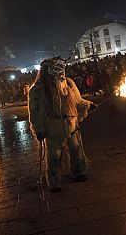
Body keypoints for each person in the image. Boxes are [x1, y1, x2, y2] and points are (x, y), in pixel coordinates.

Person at [28, 57, 94, 192]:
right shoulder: (39, 89)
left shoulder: (69, 83)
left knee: (76, 150)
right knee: (54, 156)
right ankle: (54, 180)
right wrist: (39, 129)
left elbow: (77, 100)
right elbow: (35, 112)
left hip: (71, 124)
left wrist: (87, 105)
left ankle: (80, 171)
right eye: (57, 69)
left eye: (62, 69)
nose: (61, 72)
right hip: (53, 127)